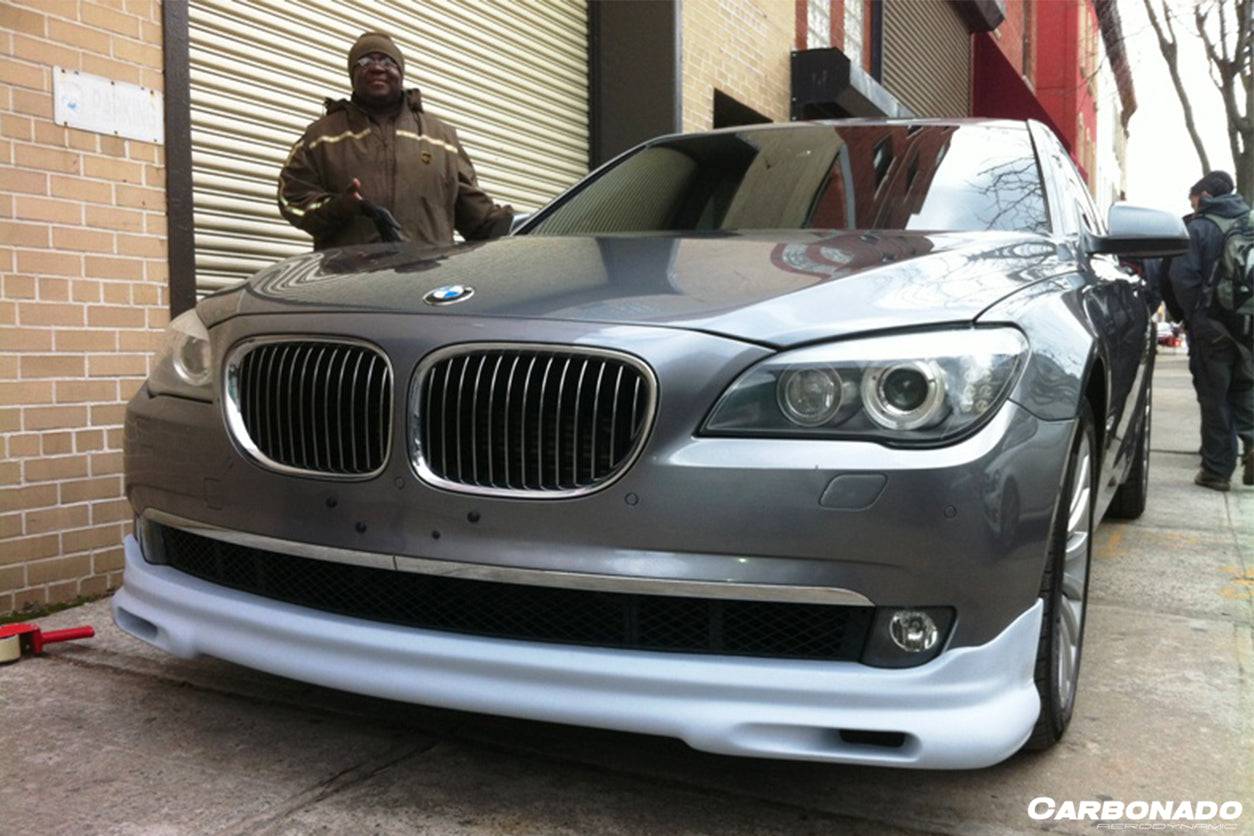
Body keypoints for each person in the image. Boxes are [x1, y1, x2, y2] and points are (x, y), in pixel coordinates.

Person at [278, 31, 513, 250]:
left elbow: (478, 219)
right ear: (352, 74)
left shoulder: (441, 138)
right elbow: (291, 200)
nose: (377, 68)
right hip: (349, 278)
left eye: (388, 61)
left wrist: (515, 226)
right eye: (365, 61)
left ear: (401, 71)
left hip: (428, 277)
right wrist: (339, 206)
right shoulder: (320, 136)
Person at [1168, 171, 1254, 490]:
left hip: (1213, 327)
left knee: (1214, 396)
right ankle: (1253, 441)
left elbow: (1182, 277)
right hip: (1249, 324)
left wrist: (1195, 317)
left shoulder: (1199, 228)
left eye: (1193, 199)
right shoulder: (1249, 223)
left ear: (1204, 195)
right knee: (1245, 387)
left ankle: (1217, 471)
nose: (1192, 205)